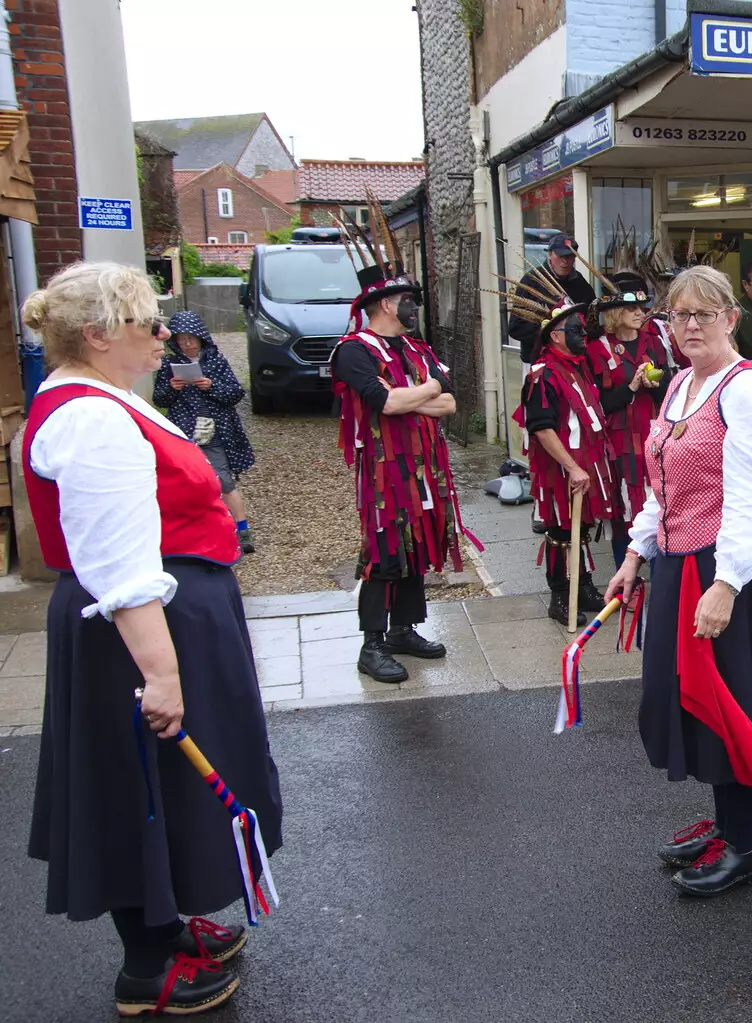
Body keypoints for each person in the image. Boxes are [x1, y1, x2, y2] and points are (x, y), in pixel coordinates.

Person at [21, 262, 281, 1015]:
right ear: (100, 335)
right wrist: (162, 672)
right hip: (135, 631)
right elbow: (119, 566)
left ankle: (165, 926)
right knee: (137, 781)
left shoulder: (103, 397)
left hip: (162, 619)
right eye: (147, 321)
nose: (162, 333)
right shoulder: (92, 418)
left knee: (164, 785)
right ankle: (145, 965)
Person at [605, 265, 752, 898]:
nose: (690, 325)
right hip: (679, 565)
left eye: (703, 314)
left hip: (731, 568)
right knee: (688, 701)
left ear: (731, 319)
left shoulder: (744, 388)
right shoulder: (677, 386)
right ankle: (727, 827)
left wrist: (724, 585)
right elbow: (662, 488)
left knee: (731, 703)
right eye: (679, 315)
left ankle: (744, 848)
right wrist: (636, 554)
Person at [332, 261, 469, 683]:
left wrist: (413, 394)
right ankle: (371, 644)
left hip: (425, 467)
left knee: (416, 547)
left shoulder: (416, 348)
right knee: (384, 549)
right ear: (386, 304)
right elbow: (385, 403)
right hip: (383, 473)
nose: (414, 308)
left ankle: (403, 630)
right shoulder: (353, 351)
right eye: (408, 300)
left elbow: (450, 404)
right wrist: (429, 388)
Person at [522, 300, 619, 624]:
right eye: (575, 329)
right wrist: (571, 466)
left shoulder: (578, 366)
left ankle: (584, 586)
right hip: (559, 470)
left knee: (582, 526)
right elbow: (541, 428)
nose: (583, 333)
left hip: (587, 463)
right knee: (561, 530)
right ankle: (560, 596)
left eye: (582, 327)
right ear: (555, 336)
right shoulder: (543, 374)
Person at [153, 310, 257, 554]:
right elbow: (161, 399)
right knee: (186, 482)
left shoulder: (216, 361)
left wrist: (211, 386)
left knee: (224, 480)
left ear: (201, 338)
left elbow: (235, 394)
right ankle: (197, 530)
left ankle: (242, 531)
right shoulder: (169, 364)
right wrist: (172, 388)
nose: (187, 344)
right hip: (183, 432)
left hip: (214, 431)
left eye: (191, 339)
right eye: (181, 339)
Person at [592, 269, 674, 570]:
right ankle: (626, 581)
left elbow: (669, 390)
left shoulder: (653, 343)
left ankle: (661, 574)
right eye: (633, 308)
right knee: (624, 508)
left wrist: (655, 387)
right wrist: (631, 388)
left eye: (643, 307)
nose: (641, 313)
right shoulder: (597, 348)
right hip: (620, 441)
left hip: (653, 436)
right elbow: (597, 402)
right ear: (616, 312)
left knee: (658, 503)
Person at [507, 234, 596, 363]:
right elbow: (516, 328)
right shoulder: (532, 281)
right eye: (560, 256)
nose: (565, 261)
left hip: (573, 361)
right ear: (549, 254)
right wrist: (550, 332)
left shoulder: (580, 284)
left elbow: (591, 319)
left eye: (570, 256)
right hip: (539, 360)